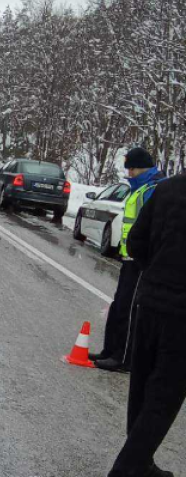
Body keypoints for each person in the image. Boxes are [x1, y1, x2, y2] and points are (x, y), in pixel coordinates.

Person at [107, 172, 185, 477]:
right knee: (163, 398)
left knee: (141, 386)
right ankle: (127, 469)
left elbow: (136, 241)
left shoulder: (166, 188)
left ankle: (142, 463)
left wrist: (155, 271)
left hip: (149, 301)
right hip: (181, 316)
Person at [92, 148, 165, 373]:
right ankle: (110, 350)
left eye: (131, 169)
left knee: (130, 309)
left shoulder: (153, 190)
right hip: (129, 258)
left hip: (141, 262)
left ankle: (124, 359)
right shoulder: (140, 189)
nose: (129, 174)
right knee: (118, 306)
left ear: (141, 167)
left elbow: (155, 227)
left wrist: (146, 257)